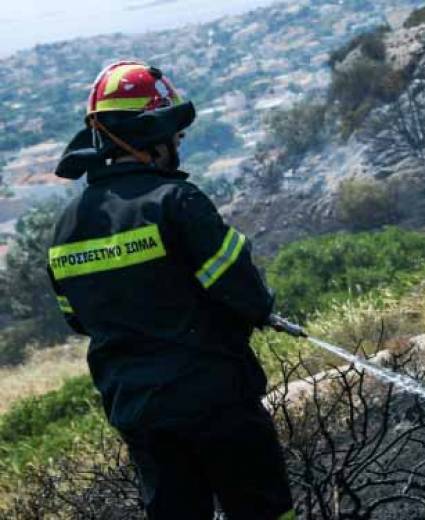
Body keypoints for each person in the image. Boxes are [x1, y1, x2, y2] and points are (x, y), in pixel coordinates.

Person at [47, 60, 295, 520]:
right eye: (174, 134)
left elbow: (77, 318)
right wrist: (259, 312)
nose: (179, 142)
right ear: (150, 136)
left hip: (140, 416)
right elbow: (246, 294)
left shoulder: (66, 227)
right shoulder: (177, 202)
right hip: (216, 403)